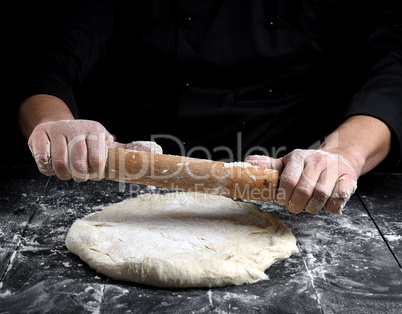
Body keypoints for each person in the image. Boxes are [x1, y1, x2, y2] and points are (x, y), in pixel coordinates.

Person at [16, 1, 402, 214]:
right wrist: (55, 121)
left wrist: (343, 154)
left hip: (286, 186)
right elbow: (52, 51)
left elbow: (390, 64)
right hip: (129, 181)